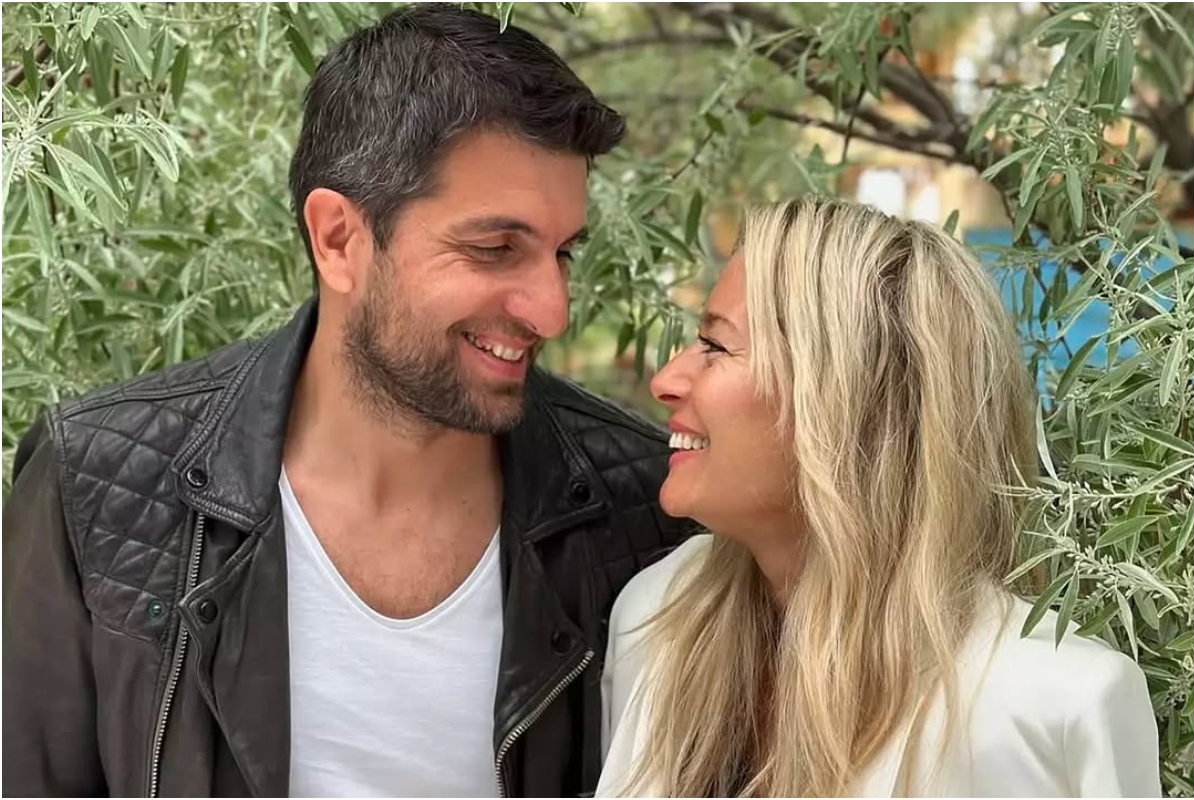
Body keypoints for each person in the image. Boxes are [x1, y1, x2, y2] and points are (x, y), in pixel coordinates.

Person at [2, 5, 692, 797]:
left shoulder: (645, 515)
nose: (552, 311)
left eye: (562, 253)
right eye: (495, 249)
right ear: (338, 239)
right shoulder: (96, 483)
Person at [596, 197, 1161, 798]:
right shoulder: (657, 619)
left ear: (849, 403)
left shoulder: (1056, 712)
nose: (664, 380)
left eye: (715, 345)